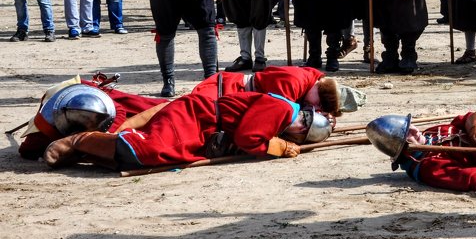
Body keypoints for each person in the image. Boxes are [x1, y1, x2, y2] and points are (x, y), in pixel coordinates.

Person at [42, 91, 333, 170]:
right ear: (302, 119)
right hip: (194, 116)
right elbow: (248, 137)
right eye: (302, 126)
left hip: (204, 129)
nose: (297, 130)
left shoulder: (284, 118)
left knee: (168, 156)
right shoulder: (282, 109)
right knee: (154, 148)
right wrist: (277, 148)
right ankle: (79, 140)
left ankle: (86, 152)